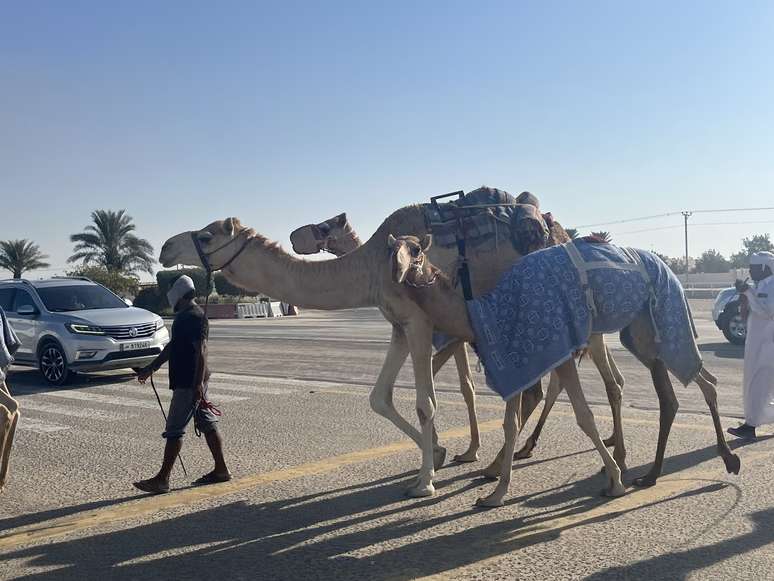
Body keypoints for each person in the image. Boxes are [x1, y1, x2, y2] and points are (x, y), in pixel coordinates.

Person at [133, 275, 231, 494]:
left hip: (189, 381)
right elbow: (172, 347)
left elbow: (202, 350)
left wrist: (196, 385)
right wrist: (152, 367)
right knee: (206, 423)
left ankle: (162, 479)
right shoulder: (185, 316)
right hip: (192, 380)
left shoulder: (194, 316)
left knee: (175, 430)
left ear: (178, 294)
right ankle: (221, 469)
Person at [728, 251, 774, 440]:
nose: (750, 270)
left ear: (764, 268)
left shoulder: (771, 285)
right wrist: (745, 296)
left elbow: (767, 311)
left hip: (767, 344)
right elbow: (748, 315)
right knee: (760, 384)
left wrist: (748, 291)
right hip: (758, 343)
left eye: (753, 267)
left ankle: (750, 426)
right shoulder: (760, 285)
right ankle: (753, 422)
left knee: (758, 383)